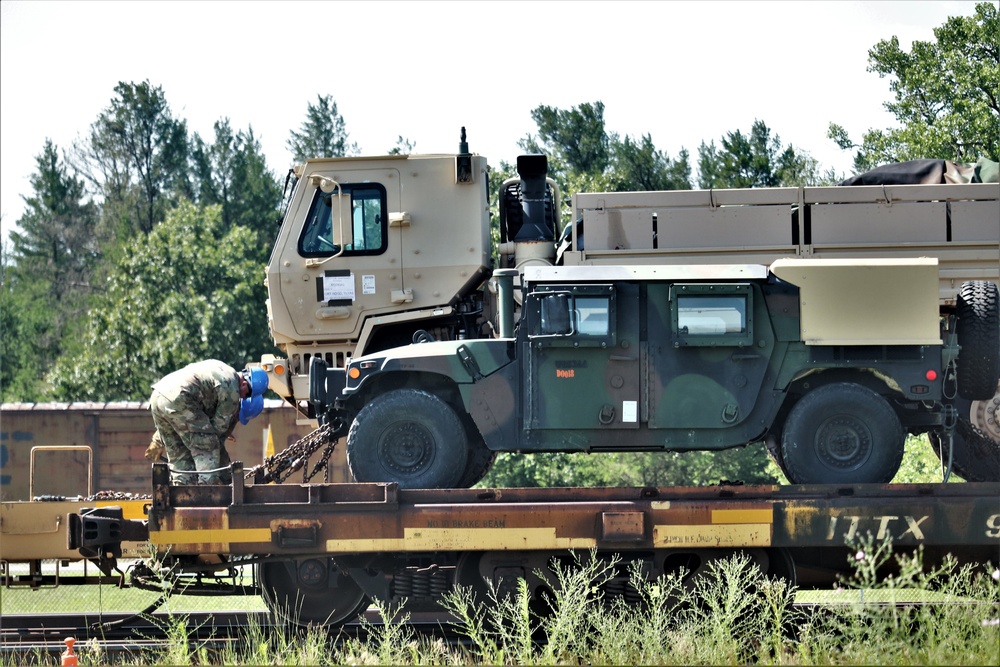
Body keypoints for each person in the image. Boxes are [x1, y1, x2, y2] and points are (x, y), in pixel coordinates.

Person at [145, 360, 268, 484]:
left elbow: (177, 418)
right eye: (246, 395)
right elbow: (215, 434)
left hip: (159, 395)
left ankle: (182, 490)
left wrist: (157, 441)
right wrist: (226, 477)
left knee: (181, 456)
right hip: (181, 398)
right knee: (208, 446)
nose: (243, 397)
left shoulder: (222, 370)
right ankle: (208, 491)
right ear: (244, 385)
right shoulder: (232, 389)